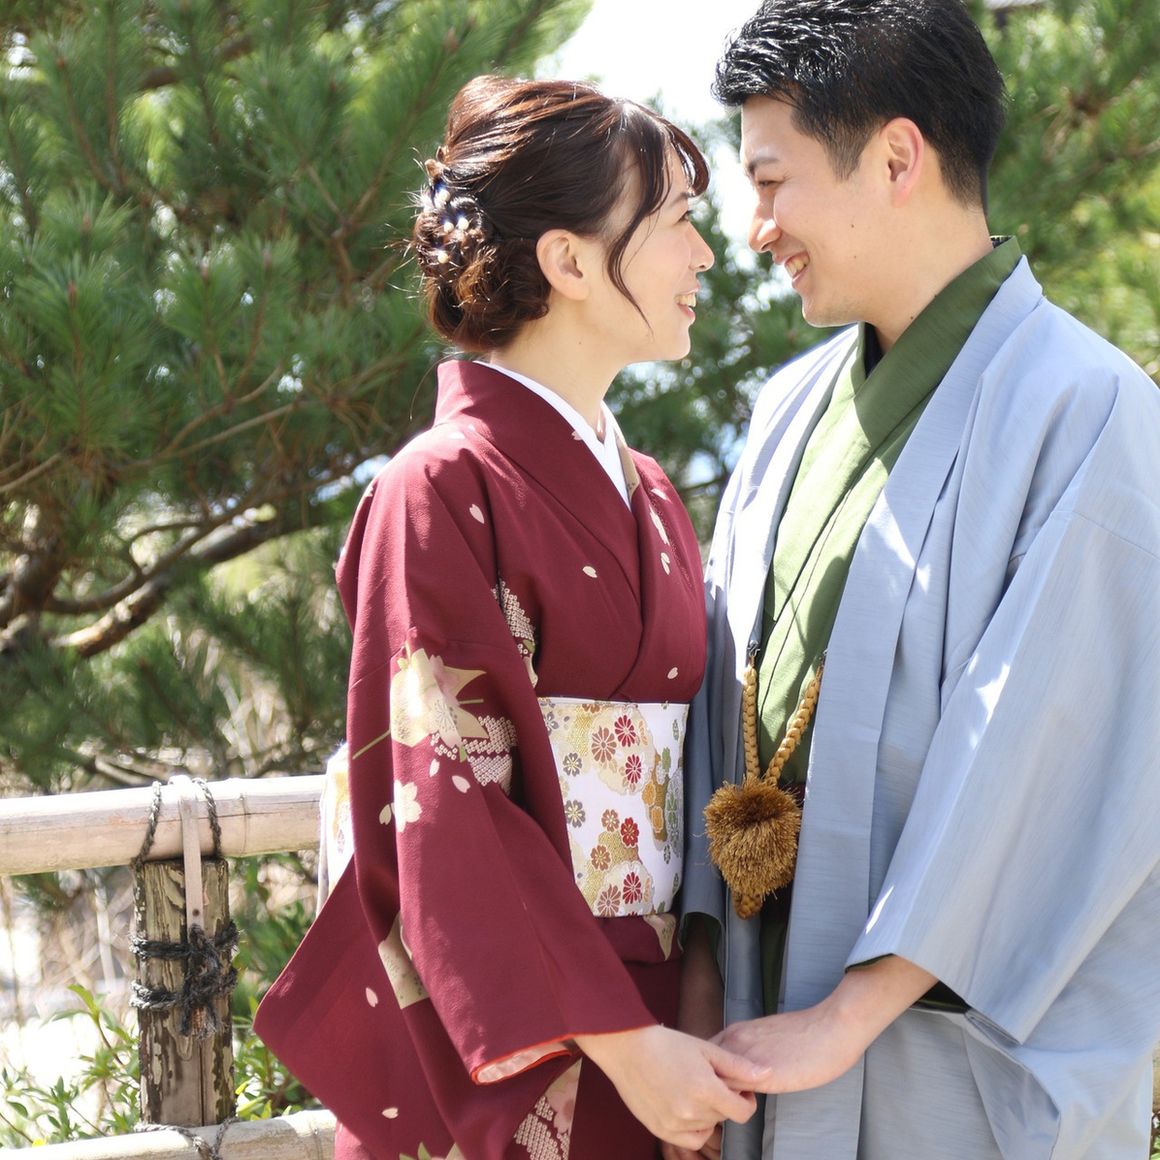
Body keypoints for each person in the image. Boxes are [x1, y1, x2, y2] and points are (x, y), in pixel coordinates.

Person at [254, 75, 771, 1160]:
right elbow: (443, 796)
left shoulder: (653, 495)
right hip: (533, 1027)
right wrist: (627, 1043)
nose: (704, 255)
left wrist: (691, 996)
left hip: (665, 1021)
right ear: (570, 261)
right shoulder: (437, 487)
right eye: (675, 222)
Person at [677, 1, 1160, 1158]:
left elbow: (1043, 755)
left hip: (945, 1066)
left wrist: (850, 1012)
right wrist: (696, 989)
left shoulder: (1089, 411)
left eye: (771, 181)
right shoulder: (786, 410)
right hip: (752, 1030)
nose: (754, 229)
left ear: (895, 157)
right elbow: (714, 711)